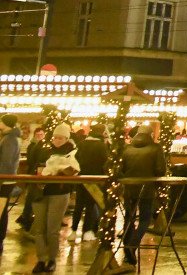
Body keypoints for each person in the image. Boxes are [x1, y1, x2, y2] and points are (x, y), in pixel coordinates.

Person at [29, 123, 80, 273]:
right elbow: (34, 165)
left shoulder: (72, 152)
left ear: (67, 138)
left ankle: (51, 259)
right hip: (40, 191)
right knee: (39, 228)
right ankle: (40, 259)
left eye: (61, 138)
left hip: (59, 192)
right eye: (55, 137)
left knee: (52, 228)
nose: (57, 140)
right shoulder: (43, 149)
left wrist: (64, 172)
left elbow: (76, 170)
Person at [120, 124, 166, 267]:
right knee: (145, 219)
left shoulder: (127, 148)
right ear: (150, 135)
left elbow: (121, 169)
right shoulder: (156, 148)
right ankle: (132, 246)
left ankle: (127, 250)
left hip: (129, 187)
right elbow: (160, 169)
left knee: (129, 217)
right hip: (147, 187)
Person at [69, 124, 107, 243]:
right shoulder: (102, 146)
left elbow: (76, 159)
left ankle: (74, 231)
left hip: (81, 178)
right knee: (90, 206)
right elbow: (105, 162)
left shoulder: (82, 144)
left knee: (79, 205)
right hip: (95, 179)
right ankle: (87, 231)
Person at [0, 114, 20, 247]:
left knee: (1, 210)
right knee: (2, 209)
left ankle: (0, 238)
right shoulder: (10, 138)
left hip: (4, 179)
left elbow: (6, 161)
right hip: (6, 178)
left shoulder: (9, 139)